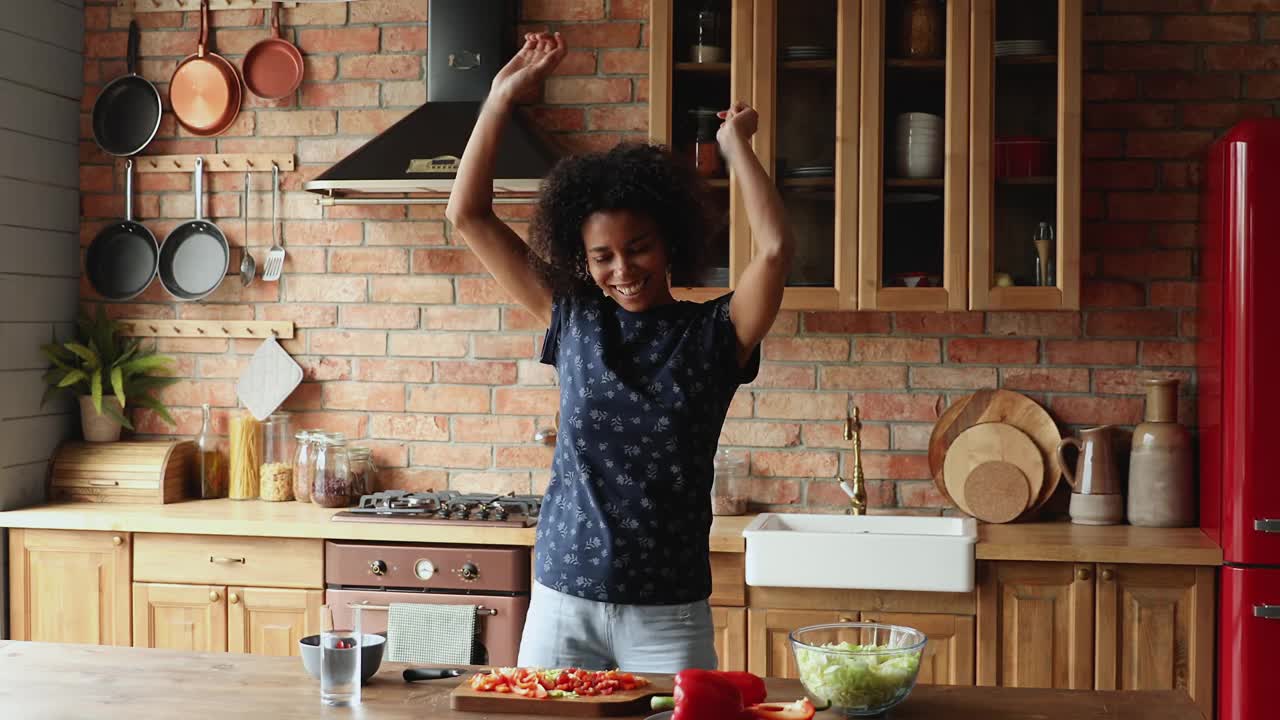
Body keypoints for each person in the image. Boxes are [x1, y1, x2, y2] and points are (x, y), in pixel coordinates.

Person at [445, 32, 795, 673]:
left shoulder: (717, 333)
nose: (622, 269)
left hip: (668, 614)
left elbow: (773, 249)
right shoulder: (573, 314)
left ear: (669, 243)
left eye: (638, 247)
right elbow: (467, 215)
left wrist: (733, 146)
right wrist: (499, 99)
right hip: (560, 602)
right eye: (601, 256)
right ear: (583, 260)